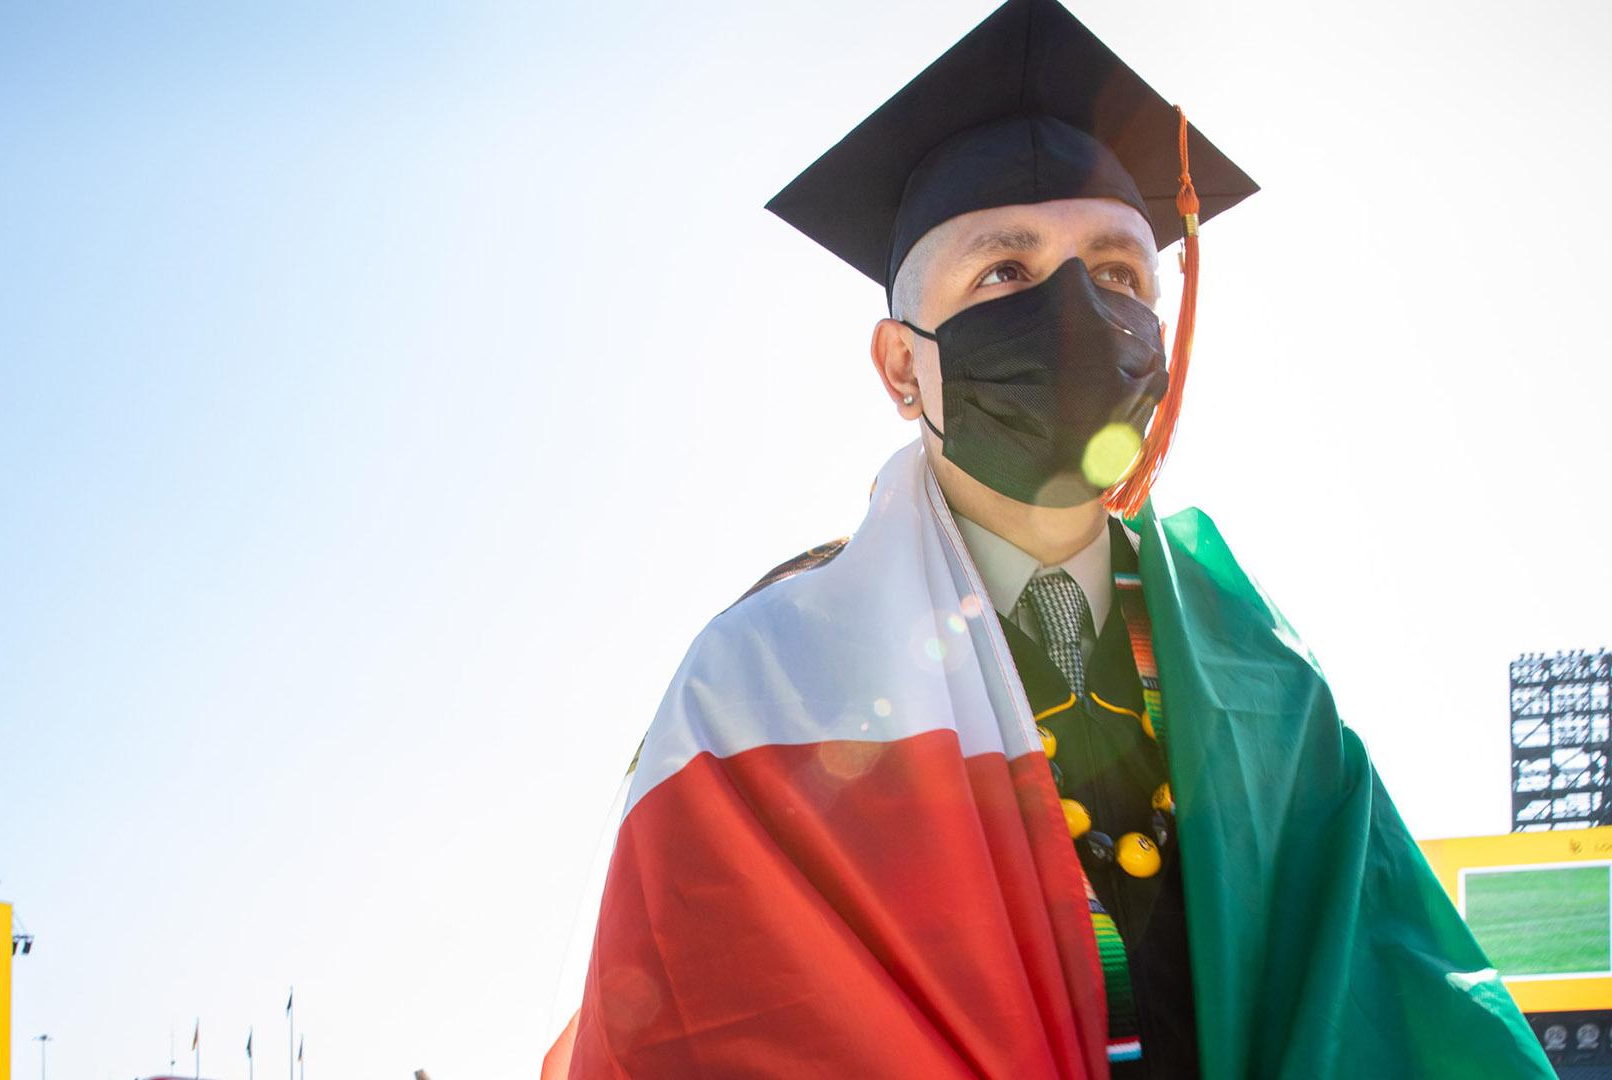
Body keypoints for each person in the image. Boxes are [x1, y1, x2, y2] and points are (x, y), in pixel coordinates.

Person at [544, 1, 1556, 1077]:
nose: (1076, 311)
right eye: (1005, 274)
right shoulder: (761, 684)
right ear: (900, 367)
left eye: (1118, 273)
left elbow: (1392, 997)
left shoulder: (1261, 674)